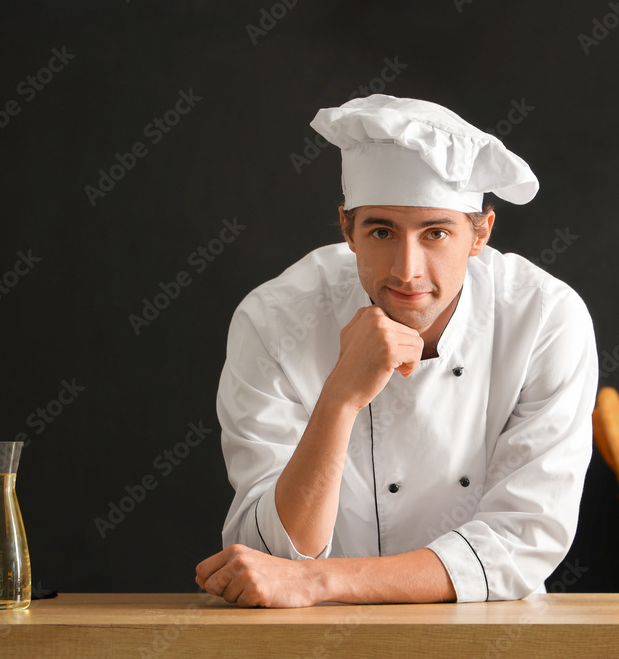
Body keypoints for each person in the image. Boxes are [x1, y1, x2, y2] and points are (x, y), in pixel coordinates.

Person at [195, 94, 598, 607]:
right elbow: (267, 551)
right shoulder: (275, 319)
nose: (407, 271)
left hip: (482, 632)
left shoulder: (543, 318)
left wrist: (324, 581)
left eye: (436, 233)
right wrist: (340, 395)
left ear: (480, 234)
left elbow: (521, 542)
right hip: (315, 638)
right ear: (347, 230)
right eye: (382, 231)